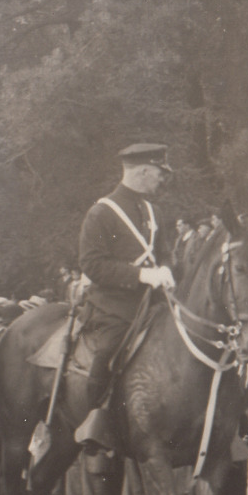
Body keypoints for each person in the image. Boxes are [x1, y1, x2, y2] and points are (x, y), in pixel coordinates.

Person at [75, 142, 176, 423]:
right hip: (116, 306)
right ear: (144, 171)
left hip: (156, 302)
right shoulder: (101, 213)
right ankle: (96, 423)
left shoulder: (155, 212)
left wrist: (166, 270)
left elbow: (165, 252)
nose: (161, 180)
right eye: (159, 173)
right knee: (107, 354)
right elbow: (92, 264)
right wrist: (141, 275)